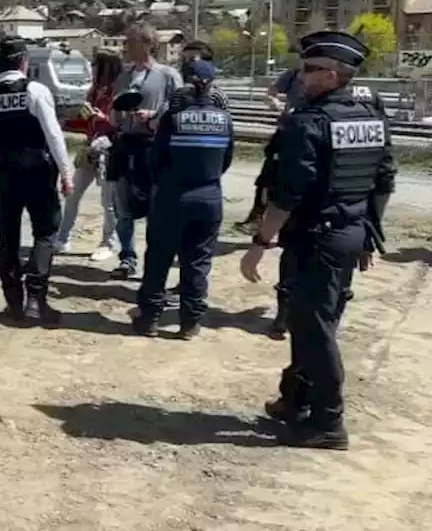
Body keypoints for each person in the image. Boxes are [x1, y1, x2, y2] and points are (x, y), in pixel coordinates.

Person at [240, 31, 396, 451]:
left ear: (332, 74)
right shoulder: (370, 118)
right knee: (308, 321)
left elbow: (289, 192)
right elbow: (382, 181)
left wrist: (259, 242)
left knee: (314, 328)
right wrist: (369, 236)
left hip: (317, 238)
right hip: (347, 234)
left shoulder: (310, 122)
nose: (301, 76)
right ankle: (296, 400)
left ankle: (328, 423)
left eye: (309, 69)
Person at [0, 37, 73, 324]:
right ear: (24, 62)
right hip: (38, 173)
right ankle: (36, 301)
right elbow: (54, 135)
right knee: (46, 233)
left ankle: (13, 303)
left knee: (7, 240)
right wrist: (66, 173)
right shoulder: (35, 90)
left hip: (1, 175)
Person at [132, 59, 233, 339]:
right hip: (209, 196)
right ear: (212, 85)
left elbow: (156, 159)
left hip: (171, 196)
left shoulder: (172, 118)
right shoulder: (224, 119)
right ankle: (189, 323)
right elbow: (226, 160)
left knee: (159, 257)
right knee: (198, 261)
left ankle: (149, 318)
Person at [109, 23, 184, 279]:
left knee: (156, 208)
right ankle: (127, 258)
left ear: (147, 44)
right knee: (122, 208)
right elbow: (114, 110)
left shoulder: (168, 75)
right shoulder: (123, 75)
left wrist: (154, 116)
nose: (124, 47)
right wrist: (114, 114)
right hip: (124, 145)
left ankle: (156, 261)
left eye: (129, 42)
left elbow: (179, 110)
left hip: (153, 148)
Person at [54, 51, 122, 261]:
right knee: (73, 194)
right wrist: (68, 122)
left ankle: (109, 243)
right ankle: (63, 238)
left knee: (108, 201)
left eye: (94, 64)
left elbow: (117, 124)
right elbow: (88, 124)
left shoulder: (116, 92)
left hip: (109, 150)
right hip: (90, 149)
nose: (91, 68)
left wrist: (99, 117)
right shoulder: (94, 92)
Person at [236, 59, 303, 232]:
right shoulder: (292, 75)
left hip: (308, 132)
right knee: (267, 177)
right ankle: (257, 218)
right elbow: (270, 94)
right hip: (286, 131)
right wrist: (276, 103)